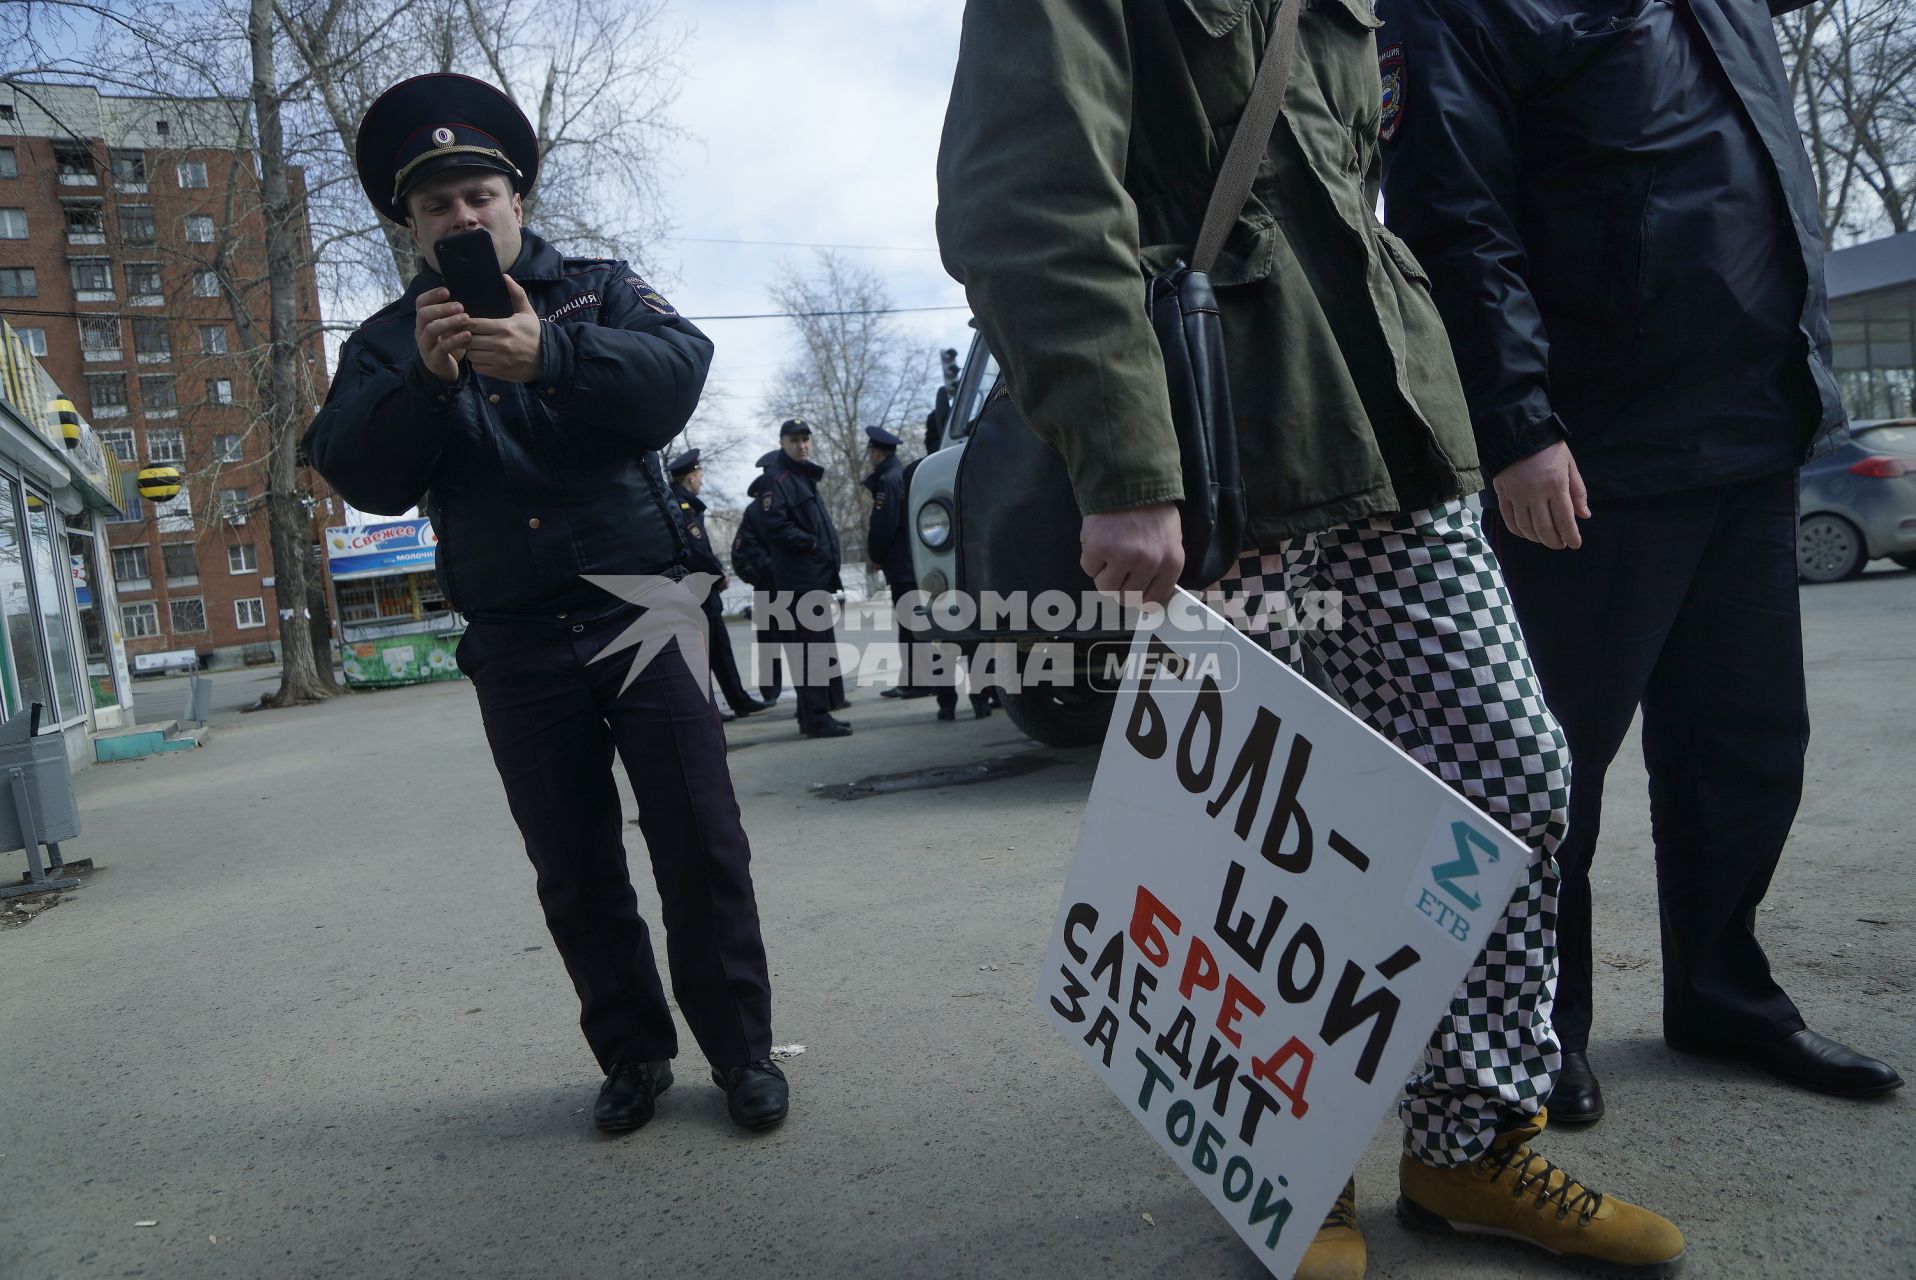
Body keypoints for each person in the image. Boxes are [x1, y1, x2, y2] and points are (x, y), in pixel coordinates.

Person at [938, 4, 1681, 1277]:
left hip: (1389, 418)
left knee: (1509, 773)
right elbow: (1028, 195)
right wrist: (1123, 460)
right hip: (1222, 442)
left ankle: (1465, 1144)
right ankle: (1292, 1163)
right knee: (1259, 837)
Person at [1377, 0, 1902, 1125]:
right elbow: (1452, 214)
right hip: (1595, 450)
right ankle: (1530, 1029)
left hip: (1754, 429)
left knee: (1745, 748)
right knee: (1547, 770)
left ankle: (1718, 991)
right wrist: (1515, 423)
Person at [302, 73, 788, 1136]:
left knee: (700, 842)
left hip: (640, 609)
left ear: (516, 200)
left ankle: (741, 1050)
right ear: (412, 224)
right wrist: (427, 384)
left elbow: (677, 372)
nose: (460, 216)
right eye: (436, 205)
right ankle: (631, 1054)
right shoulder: (388, 341)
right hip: (516, 635)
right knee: (572, 863)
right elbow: (355, 470)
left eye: (478, 193)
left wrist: (550, 353)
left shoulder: (597, 291)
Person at [761, 419, 853, 738]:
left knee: (815, 649)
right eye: (795, 440)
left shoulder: (802, 477)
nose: (802, 445)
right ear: (782, 442)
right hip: (800, 581)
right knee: (810, 651)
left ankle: (810, 714)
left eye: (805, 439)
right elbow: (774, 525)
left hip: (814, 577)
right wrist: (811, 543)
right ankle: (816, 717)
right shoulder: (778, 479)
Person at [667, 448, 772, 721]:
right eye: (699, 475)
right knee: (713, 651)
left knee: (709, 652)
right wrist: (719, 574)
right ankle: (729, 703)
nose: (701, 480)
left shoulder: (677, 503)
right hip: (699, 592)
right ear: (691, 477)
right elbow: (698, 549)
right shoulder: (684, 507)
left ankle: (735, 700)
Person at [733, 450, 785, 704]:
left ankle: (811, 693)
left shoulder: (786, 500)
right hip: (770, 587)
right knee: (768, 644)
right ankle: (770, 692)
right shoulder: (755, 511)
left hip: (787, 584)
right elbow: (739, 554)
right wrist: (760, 578)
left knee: (799, 641)